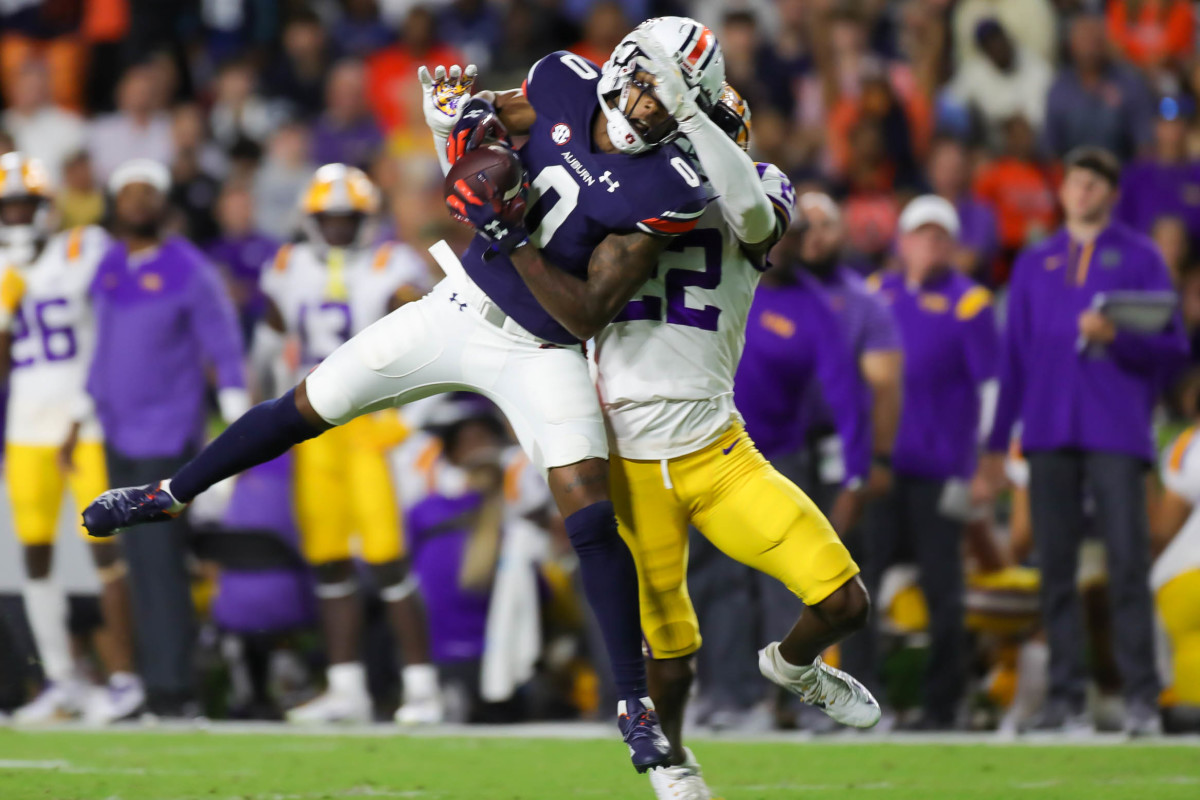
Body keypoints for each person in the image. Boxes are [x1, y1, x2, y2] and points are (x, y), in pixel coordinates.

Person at [81, 23, 715, 772]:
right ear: (625, 69)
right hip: (457, 308)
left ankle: (633, 704)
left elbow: (585, 313)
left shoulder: (669, 187)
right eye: (650, 88)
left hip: (544, 343)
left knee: (589, 508)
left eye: (675, 99)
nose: (654, 110)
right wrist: (452, 115)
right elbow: (486, 126)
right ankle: (170, 492)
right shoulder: (563, 82)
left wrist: (509, 236)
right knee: (309, 403)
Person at [574, 61, 879, 795]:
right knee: (669, 656)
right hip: (630, 461)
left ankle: (794, 665)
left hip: (718, 451)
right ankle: (674, 761)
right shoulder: (620, 191)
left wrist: (695, 121)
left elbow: (751, 215)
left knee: (844, 602)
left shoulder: (759, 188)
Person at [978, 147, 1189, 735]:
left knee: (1127, 563)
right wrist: (998, 447)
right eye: (1075, 181)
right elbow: (1012, 359)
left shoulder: (1141, 256)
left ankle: (1143, 698)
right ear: (1063, 190)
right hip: (1046, 431)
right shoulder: (1035, 262)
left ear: (1111, 194)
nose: (1082, 191)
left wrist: (1117, 336)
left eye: (1094, 183)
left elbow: (1173, 347)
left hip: (1116, 432)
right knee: (1056, 570)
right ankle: (1066, 699)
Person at [256, 164, 440, 725]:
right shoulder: (287, 268)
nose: (337, 229)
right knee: (329, 559)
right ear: (311, 220)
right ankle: (346, 687)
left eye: (348, 218)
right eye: (328, 219)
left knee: (387, 558)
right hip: (313, 428)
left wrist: (414, 420)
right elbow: (266, 346)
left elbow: (436, 344)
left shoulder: (393, 267)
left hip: (369, 424)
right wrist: (258, 416)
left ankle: (422, 688)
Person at [85, 158, 247, 716]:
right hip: (114, 432)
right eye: (126, 191)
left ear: (163, 202)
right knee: (136, 564)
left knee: (160, 561)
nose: (136, 201)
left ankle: (173, 690)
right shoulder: (108, 264)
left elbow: (223, 348)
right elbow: (102, 344)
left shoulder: (187, 266)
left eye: (145, 191)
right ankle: (156, 684)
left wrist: (235, 431)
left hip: (166, 434)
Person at [0, 152, 143, 723]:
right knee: (34, 554)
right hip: (25, 428)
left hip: (82, 420)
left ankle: (127, 678)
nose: (14, 218)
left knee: (105, 548)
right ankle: (62, 681)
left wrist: (85, 409)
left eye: (23, 206)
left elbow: (115, 326)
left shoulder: (82, 248)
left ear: (46, 208)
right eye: (6, 208)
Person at [864, 195, 1000, 729]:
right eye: (922, 234)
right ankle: (861, 700)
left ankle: (943, 707)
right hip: (880, 468)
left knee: (945, 590)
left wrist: (988, 462)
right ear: (903, 241)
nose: (931, 243)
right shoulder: (877, 293)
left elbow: (991, 387)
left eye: (941, 235)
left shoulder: (971, 303)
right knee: (857, 586)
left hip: (941, 468)